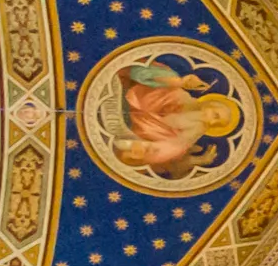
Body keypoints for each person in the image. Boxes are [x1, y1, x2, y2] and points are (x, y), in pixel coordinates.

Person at [103, 55, 249, 182]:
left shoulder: (177, 144)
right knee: (168, 74)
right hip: (119, 94)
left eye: (216, 125)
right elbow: (137, 71)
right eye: (215, 115)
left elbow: (138, 158)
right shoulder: (176, 93)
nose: (210, 122)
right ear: (207, 103)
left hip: (119, 134)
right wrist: (178, 82)